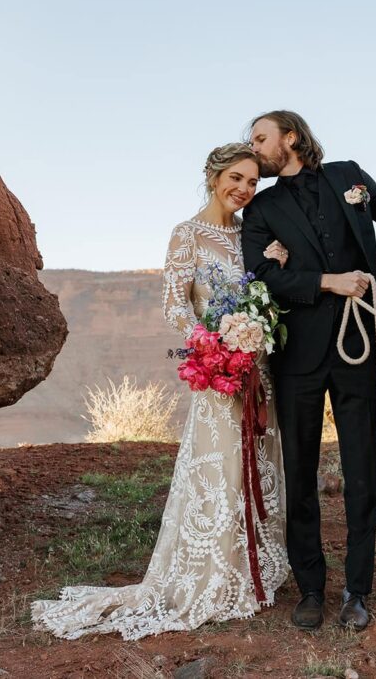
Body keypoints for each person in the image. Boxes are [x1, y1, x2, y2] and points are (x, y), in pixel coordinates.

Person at [31, 143, 290, 640]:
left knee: (258, 462)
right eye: (236, 177)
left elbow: (266, 290)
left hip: (261, 371)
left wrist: (274, 269)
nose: (244, 189)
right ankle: (215, 573)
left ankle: (258, 570)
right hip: (218, 370)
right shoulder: (187, 234)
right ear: (213, 176)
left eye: (253, 182)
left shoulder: (255, 232)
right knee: (221, 467)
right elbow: (175, 305)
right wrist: (211, 343)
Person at [241, 110, 376, 631]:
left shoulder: (348, 175)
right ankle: (311, 588)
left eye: (261, 138)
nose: (255, 147)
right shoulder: (261, 208)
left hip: (359, 347)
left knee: (363, 476)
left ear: (290, 137)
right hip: (299, 361)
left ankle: (358, 590)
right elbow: (262, 277)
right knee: (300, 475)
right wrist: (331, 282)